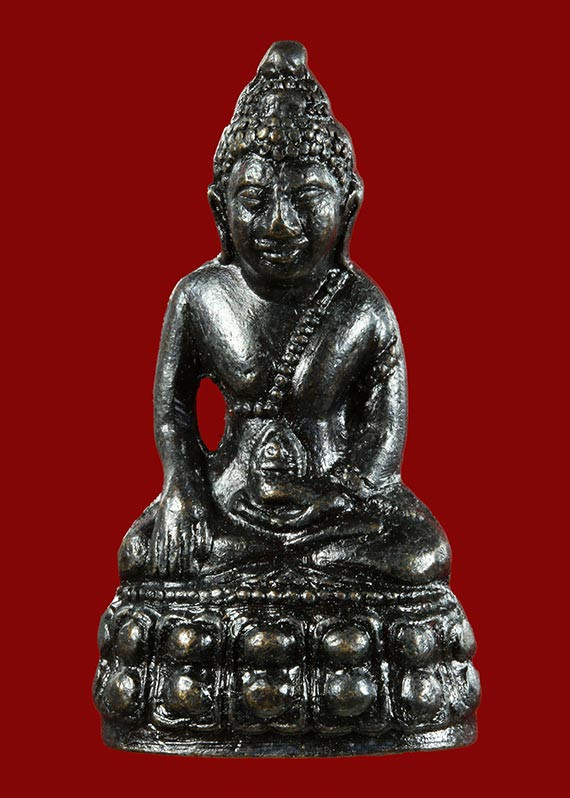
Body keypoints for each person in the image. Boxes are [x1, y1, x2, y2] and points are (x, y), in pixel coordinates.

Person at [118, 41, 450, 588]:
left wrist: (336, 495)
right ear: (219, 209)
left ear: (349, 207)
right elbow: (172, 408)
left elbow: (384, 431)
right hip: (230, 493)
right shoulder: (199, 297)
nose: (279, 223)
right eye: (253, 199)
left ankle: (270, 568)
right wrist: (183, 490)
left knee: (422, 553)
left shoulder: (363, 307)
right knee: (141, 552)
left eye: (306, 198)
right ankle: (294, 571)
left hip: (334, 501)